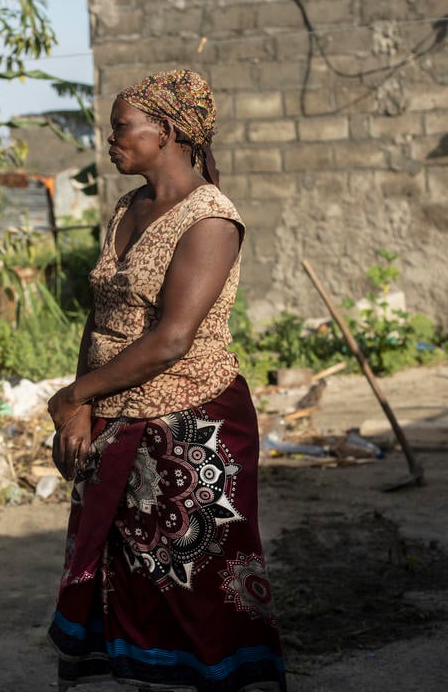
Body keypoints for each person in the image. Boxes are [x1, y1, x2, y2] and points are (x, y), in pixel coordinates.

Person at [46, 69, 287, 691]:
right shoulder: (128, 208)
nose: (110, 139)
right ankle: (145, 672)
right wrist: (80, 408)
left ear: (170, 132)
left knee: (195, 572)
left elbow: (171, 339)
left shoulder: (210, 219)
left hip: (193, 419)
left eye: (121, 127)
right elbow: (100, 318)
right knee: (129, 564)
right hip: (117, 410)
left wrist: (76, 395)